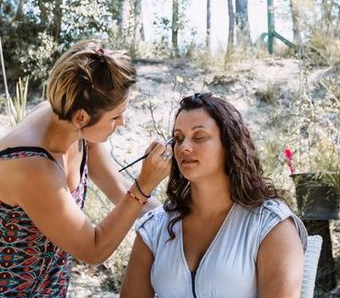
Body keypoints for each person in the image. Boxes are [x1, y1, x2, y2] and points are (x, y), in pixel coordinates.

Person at [0, 40, 171, 297]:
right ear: (81, 117)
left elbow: (118, 188)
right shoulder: (31, 166)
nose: (122, 122)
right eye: (116, 116)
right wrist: (144, 185)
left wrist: (177, 219)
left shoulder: (75, 126)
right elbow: (93, 248)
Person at [120, 92, 307, 298]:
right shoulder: (155, 227)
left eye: (199, 137)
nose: (184, 147)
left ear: (229, 145)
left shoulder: (270, 224)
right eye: (178, 138)